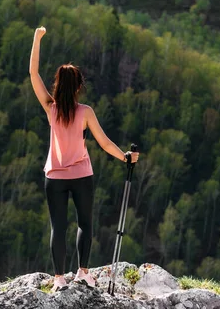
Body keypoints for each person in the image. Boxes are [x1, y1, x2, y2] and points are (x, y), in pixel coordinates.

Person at [29, 26, 139, 292]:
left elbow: (33, 73)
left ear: (57, 85)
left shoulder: (50, 108)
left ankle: (58, 279)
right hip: (81, 176)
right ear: (79, 86)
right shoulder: (85, 112)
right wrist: (125, 157)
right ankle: (83, 273)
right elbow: (104, 143)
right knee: (85, 224)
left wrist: (37, 39)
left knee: (58, 227)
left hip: (54, 176)